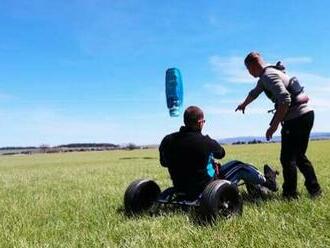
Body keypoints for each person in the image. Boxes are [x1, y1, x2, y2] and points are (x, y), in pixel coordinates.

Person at [235, 52, 322, 199]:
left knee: (287, 158)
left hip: (296, 117)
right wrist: (244, 104)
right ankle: (315, 190)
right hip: (306, 115)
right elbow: (254, 93)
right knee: (299, 156)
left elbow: (285, 100)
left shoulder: (268, 75)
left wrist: (273, 126)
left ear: (253, 65)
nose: (249, 73)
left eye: (249, 70)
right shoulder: (269, 74)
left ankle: (290, 195)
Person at [159, 106, 277, 200]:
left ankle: (257, 188)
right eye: (203, 121)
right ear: (200, 122)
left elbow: (164, 163)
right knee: (239, 166)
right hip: (206, 189)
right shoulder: (205, 141)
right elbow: (221, 153)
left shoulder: (167, 140)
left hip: (180, 187)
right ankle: (269, 182)